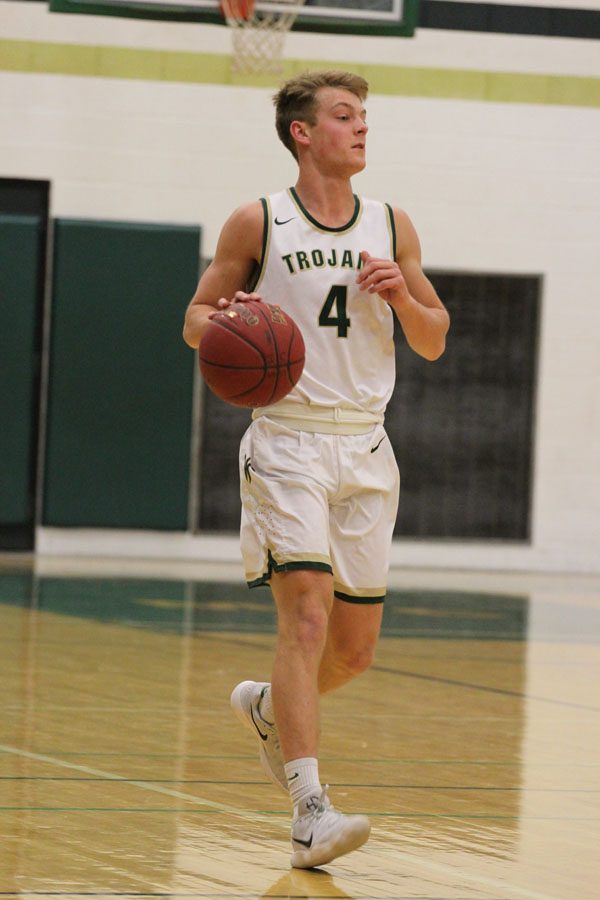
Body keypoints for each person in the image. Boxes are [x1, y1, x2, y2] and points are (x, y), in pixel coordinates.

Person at [183, 70, 449, 869]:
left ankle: (269, 709)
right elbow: (195, 318)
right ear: (303, 133)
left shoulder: (391, 221)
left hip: (366, 447)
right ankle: (309, 811)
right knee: (304, 618)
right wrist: (228, 322)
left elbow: (433, 337)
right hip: (288, 443)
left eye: (364, 116)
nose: (361, 128)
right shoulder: (257, 220)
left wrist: (404, 297)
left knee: (354, 650)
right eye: (344, 116)